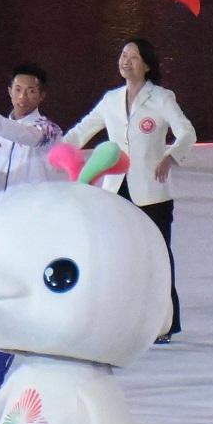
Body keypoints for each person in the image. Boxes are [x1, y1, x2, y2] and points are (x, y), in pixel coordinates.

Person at [67, 40, 195, 341]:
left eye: (134, 57)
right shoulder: (111, 99)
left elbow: (186, 131)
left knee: (158, 257)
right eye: (123, 55)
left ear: (146, 65)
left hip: (152, 192)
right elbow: (83, 129)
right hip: (116, 189)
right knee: (119, 255)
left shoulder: (161, 98)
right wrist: (57, 149)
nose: (126, 61)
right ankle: (123, 317)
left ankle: (166, 322)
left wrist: (171, 156)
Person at [0, 63, 68, 404]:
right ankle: (17, 366)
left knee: (16, 301)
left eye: (32, 91)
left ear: (42, 96)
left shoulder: (46, 130)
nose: (24, 96)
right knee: (1, 299)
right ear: (9, 90)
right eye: (18, 89)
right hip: (1, 229)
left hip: (33, 228)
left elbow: (25, 136)